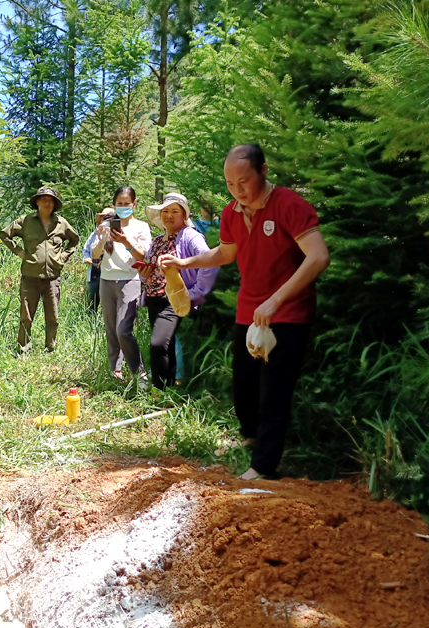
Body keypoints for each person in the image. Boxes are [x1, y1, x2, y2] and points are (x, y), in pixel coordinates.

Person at [160, 145, 330, 479]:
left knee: (274, 392)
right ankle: (253, 439)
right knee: (244, 387)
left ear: (263, 171)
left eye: (244, 181)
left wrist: (276, 300)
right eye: (230, 183)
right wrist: (184, 262)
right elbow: (224, 253)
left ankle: (263, 467)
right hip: (249, 310)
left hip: (288, 312)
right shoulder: (232, 213)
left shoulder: (289, 206)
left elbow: (318, 256)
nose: (238, 190)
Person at [138, 193, 218, 390]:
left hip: (173, 300)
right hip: (153, 298)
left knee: (157, 345)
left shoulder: (190, 236)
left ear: (184, 215)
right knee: (167, 344)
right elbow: (152, 272)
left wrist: (196, 293)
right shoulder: (157, 241)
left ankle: (158, 390)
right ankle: (169, 388)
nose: (169, 215)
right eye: (165, 211)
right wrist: (144, 274)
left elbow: (210, 262)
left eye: (175, 211)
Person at [0, 186, 80, 353]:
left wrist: (62, 257)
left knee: (53, 317)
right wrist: (19, 252)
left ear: (54, 204)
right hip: (30, 276)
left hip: (53, 278)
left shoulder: (61, 223)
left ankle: (50, 348)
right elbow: (5, 234)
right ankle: (24, 349)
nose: (47, 202)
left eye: (50, 200)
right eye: (43, 199)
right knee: (26, 316)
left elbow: (74, 240)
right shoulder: (25, 221)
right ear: (37, 201)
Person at [91, 187, 152, 383]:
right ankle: (115, 371)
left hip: (129, 280)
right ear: (114, 204)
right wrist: (102, 240)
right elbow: (94, 255)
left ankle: (139, 372)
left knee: (123, 329)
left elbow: (143, 256)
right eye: (120, 203)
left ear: (134, 204)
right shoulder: (106, 225)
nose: (123, 207)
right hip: (106, 280)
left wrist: (126, 241)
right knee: (110, 329)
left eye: (127, 203)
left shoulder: (141, 227)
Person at [81, 210, 109, 314]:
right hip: (94, 271)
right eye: (104, 218)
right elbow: (86, 248)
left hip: (111, 272)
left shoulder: (119, 232)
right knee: (93, 300)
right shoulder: (95, 233)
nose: (105, 220)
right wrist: (87, 257)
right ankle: (91, 324)